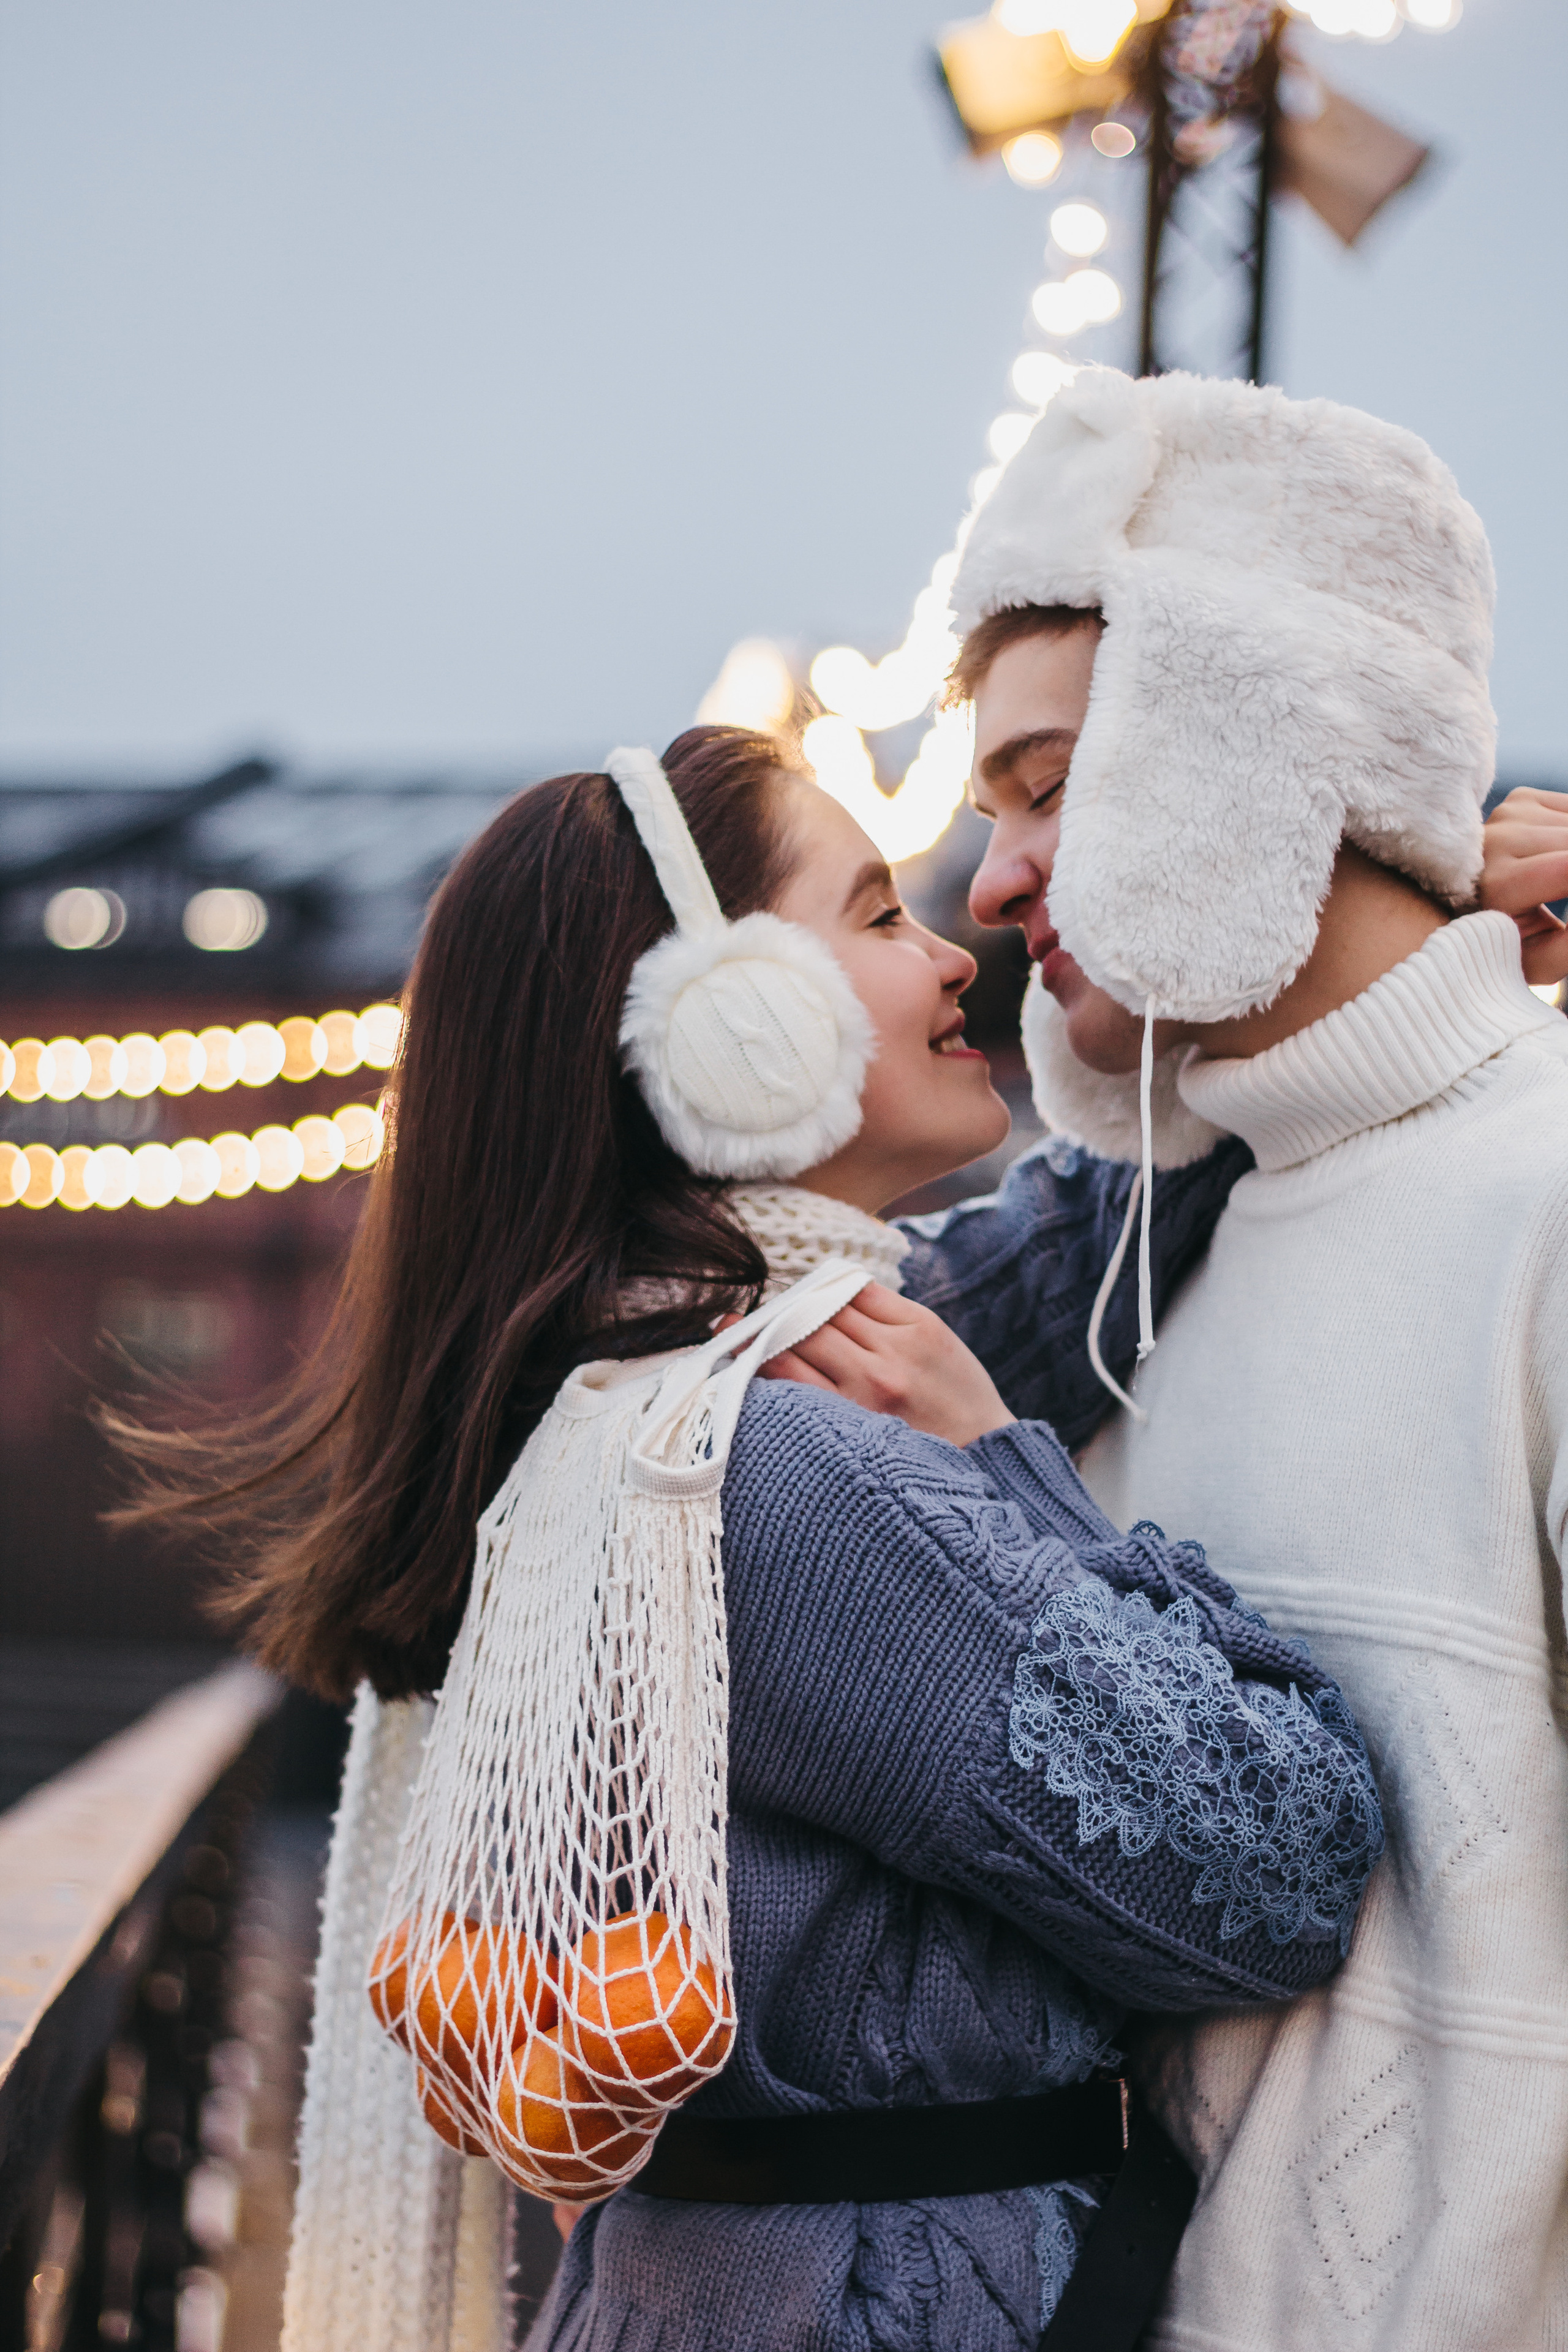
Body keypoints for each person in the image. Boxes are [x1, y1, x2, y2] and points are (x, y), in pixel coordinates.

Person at [113, 726, 1381, 2352]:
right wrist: (1010, 1476)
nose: (953, 947)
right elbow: (1273, 1872)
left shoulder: (613, 1403)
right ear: (723, 1033)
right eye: (871, 914)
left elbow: (1068, 1255)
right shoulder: (790, 1480)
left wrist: (1345, 973)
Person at [927, 363, 1568, 2352]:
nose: (993, 881)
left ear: (1244, 725)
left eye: (1051, 785)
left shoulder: (1545, 1197)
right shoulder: (1145, 1269)